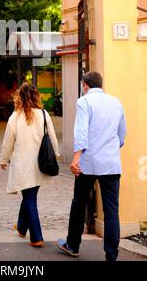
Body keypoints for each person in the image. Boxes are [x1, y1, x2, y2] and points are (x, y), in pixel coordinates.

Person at [57, 71, 127, 262]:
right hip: (111, 164)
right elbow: (122, 134)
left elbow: (81, 131)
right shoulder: (116, 102)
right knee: (112, 209)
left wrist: (76, 157)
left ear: (85, 85)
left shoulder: (84, 102)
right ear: (100, 84)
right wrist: (111, 149)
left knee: (79, 203)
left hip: (87, 163)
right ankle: (111, 255)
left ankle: (72, 245)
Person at [0, 82, 59, 247]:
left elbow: (8, 141)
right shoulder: (44, 114)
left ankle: (36, 237)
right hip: (41, 165)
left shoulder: (15, 117)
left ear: (20, 96)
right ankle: (21, 227)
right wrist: (57, 154)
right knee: (29, 196)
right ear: (35, 96)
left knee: (29, 199)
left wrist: (3, 159)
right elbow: (52, 137)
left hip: (22, 166)